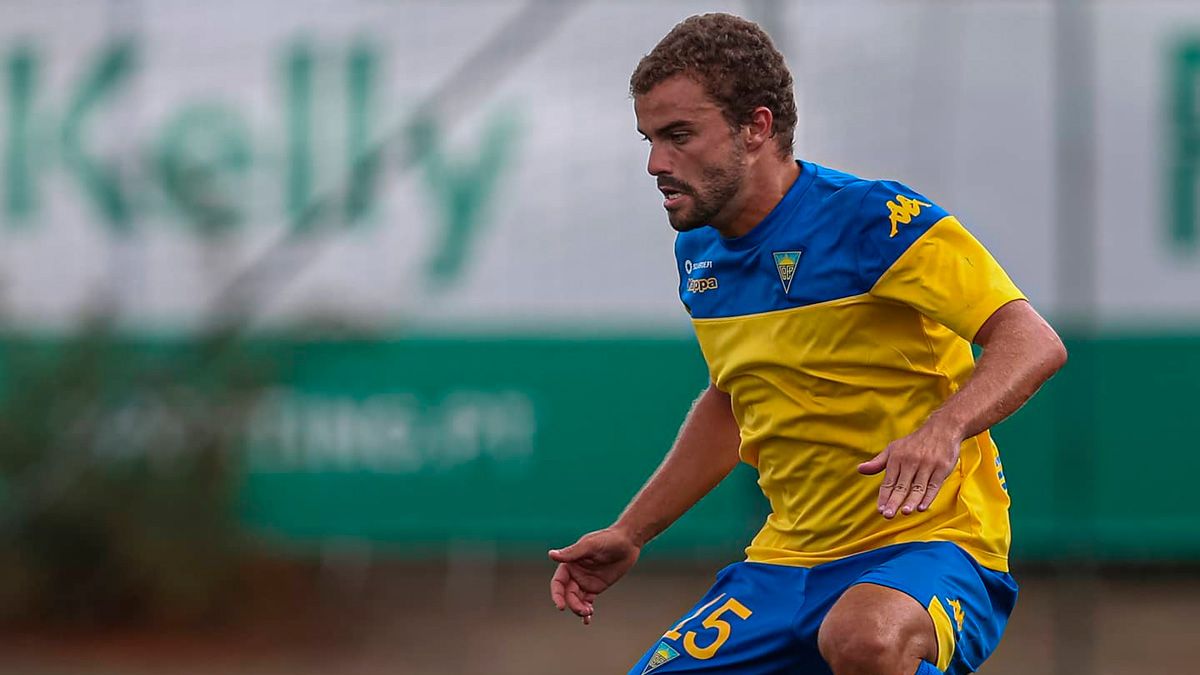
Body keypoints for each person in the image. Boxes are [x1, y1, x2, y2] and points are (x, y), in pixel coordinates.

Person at [548, 13, 1066, 675]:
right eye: (649, 138)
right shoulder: (698, 250)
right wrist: (630, 532)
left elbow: (1032, 339)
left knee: (864, 637)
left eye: (679, 135)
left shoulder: (874, 219)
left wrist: (944, 427)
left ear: (757, 128)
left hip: (930, 547)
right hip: (786, 563)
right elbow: (735, 403)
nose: (656, 163)